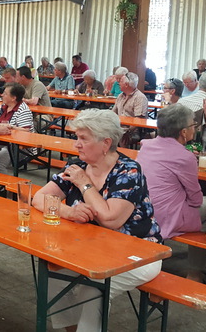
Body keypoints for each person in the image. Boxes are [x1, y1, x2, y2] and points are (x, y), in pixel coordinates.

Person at [32, 109, 162, 331]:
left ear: (106, 143)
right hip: (93, 249)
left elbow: (110, 219)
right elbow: (38, 198)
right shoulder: (77, 166)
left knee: (92, 288)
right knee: (54, 272)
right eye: (76, 137)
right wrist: (69, 212)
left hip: (139, 253)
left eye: (83, 138)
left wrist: (84, 184)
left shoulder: (128, 171)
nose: (76, 144)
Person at [136, 104, 202, 240]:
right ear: (184, 132)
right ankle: (198, 251)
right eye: (193, 125)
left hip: (141, 208)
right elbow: (196, 199)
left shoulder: (146, 146)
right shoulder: (185, 157)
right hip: (164, 216)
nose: (195, 128)